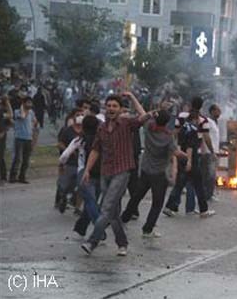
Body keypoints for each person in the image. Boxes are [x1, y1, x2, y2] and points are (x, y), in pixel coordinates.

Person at [80, 92, 150, 257]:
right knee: (113, 212)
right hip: (106, 172)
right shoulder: (102, 128)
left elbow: (144, 116)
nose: (111, 109)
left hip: (122, 171)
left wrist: (132, 97)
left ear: (120, 109)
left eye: (115, 106)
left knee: (106, 208)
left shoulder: (127, 123)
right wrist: (87, 170)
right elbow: (96, 150)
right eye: (109, 106)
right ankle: (122, 243)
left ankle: (92, 241)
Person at [121, 110, 186, 237]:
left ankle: (124, 218)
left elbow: (141, 111)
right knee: (157, 203)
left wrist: (131, 96)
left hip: (145, 170)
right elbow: (177, 153)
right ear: (167, 122)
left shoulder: (148, 127)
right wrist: (186, 156)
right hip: (159, 174)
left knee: (136, 197)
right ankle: (147, 229)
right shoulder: (168, 137)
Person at [59, 115, 102, 237]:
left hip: (84, 172)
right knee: (92, 202)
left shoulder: (79, 140)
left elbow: (64, 156)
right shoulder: (102, 140)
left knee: (90, 202)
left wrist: (61, 165)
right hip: (100, 173)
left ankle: (97, 228)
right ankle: (82, 227)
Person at [9, 96, 37, 184]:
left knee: (26, 159)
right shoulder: (17, 112)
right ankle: (12, 176)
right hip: (19, 138)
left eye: (31, 103)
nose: (30, 105)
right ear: (23, 103)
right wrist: (22, 108)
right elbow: (23, 116)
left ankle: (22, 176)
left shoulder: (31, 112)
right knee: (17, 158)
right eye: (28, 103)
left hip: (28, 138)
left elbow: (34, 122)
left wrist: (34, 134)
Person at [201, 104, 221, 202]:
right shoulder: (208, 122)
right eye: (218, 110)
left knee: (212, 175)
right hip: (208, 152)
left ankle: (209, 194)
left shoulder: (215, 122)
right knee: (209, 175)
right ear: (212, 111)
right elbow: (205, 136)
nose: (219, 112)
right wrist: (210, 150)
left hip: (214, 152)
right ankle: (206, 195)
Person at [0, 96, 13, 185]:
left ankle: (3, 177)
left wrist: (7, 102)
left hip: (1, 136)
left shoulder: (0, 111)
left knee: (0, 157)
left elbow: (10, 115)